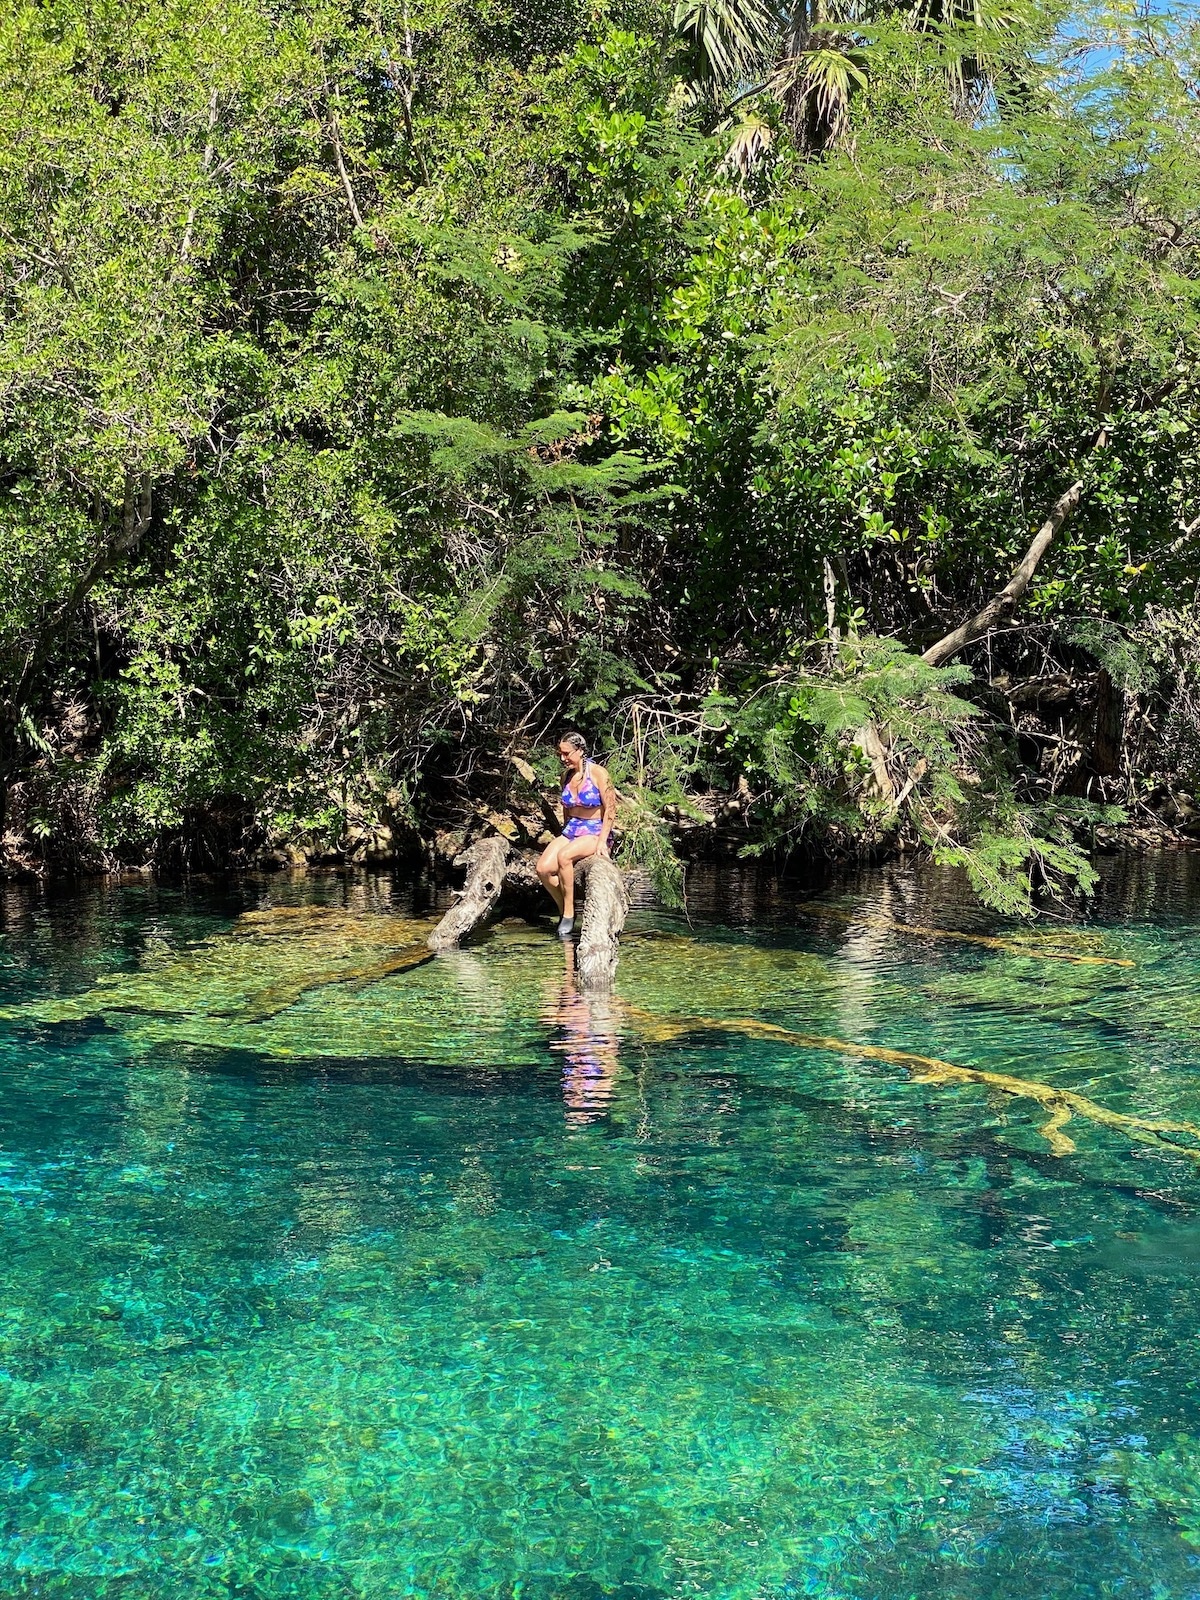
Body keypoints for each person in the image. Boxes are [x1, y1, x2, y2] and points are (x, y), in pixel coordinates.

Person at [536, 732, 616, 938]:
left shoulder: (599, 773)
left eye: (566, 753)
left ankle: (569, 915)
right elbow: (566, 809)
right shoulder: (566, 776)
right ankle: (564, 908)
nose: (562, 758)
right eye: (559, 754)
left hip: (594, 830)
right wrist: (564, 832)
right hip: (572, 829)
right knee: (543, 869)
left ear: (580, 750)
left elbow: (611, 810)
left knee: (564, 857)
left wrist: (602, 842)